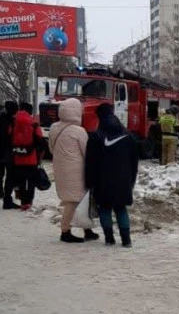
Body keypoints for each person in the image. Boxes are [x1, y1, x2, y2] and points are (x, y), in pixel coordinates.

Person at [86, 104, 138, 248]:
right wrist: (132, 179)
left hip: (102, 180)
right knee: (121, 208)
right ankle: (126, 240)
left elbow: (90, 162)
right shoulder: (128, 136)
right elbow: (134, 161)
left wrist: (89, 181)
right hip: (123, 179)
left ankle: (109, 238)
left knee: (104, 208)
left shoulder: (96, 136)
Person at [48, 98, 99, 243]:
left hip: (60, 168)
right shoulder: (79, 131)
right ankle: (65, 231)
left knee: (75, 199)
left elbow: (51, 148)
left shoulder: (53, 128)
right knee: (75, 201)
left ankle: (87, 229)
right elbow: (86, 153)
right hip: (77, 170)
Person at [4, 102, 44, 210]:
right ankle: (28, 201)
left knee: (21, 179)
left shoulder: (13, 123)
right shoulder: (33, 123)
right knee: (31, 181)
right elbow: (40, 140)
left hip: (17, 157)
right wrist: (39, 154)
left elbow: (9, 137)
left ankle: (22, 200)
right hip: (31, 158)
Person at [0, 101, 18, 204]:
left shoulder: (2, 118)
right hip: (9, 151)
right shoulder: (13, 121)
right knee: (10, 175)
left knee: (0, 174)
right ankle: (7, 197)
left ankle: (1, 192)